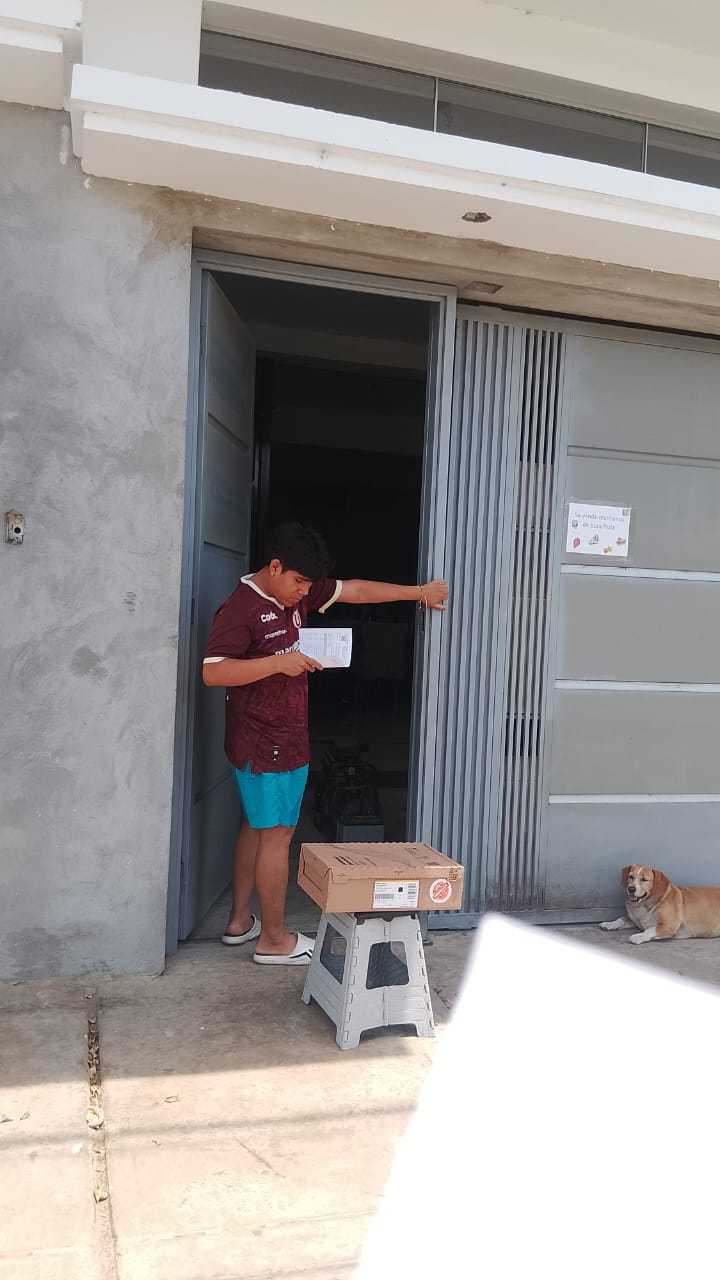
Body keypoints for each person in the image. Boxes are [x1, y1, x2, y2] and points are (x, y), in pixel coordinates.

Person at [202, 521, 448, 966]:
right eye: (298, 582)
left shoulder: (294, 592)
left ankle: (240, 921)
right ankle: (273, 940)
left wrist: (418, 593)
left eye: (308, 586)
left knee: (257, 826)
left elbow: (356, 590)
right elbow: (213, 671)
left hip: (282, 736)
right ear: (274, 567)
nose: (304, 593)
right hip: (264, 742)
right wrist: (277, 664)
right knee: (278, 835)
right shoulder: (241, 608)